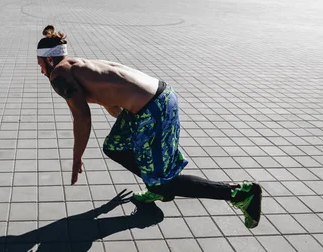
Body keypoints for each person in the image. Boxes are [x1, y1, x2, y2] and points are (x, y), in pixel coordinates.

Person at [37, 25, 262, 229]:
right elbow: (112, 100)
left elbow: (82, 119)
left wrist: (77, 158)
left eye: (39, 64)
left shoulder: (59, 74)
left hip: (154, 108)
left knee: (165, 183)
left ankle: (240, 193)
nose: (40, 71)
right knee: (114, 146)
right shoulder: (77, 65)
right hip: (155, 99)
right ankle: (157, 184)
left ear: (48, 60)